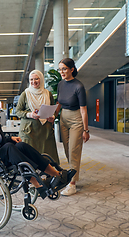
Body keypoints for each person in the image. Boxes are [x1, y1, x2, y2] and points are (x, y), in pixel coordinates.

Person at [0, 97, 76, 199]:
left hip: (0, 154)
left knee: (21, 145)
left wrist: (11, 139)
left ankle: (57, 175)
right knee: (9, 147)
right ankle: (37, 183)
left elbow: (2, 142)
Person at [54, 58, 90, 196]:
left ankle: (72, 184)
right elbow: (59, 102)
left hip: (76, 119)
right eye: (60, 69)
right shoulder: (61, 84)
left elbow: (83, 110)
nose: (62, 72)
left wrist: (86, 130)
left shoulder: (78, 86)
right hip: (63, 117)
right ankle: (72, 176)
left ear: (72, 69)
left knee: (74, 150)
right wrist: (54, 116)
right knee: (67, 149)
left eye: (64, 69)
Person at [16, 69, 60, 164]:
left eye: (36, 79)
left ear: (41, 80)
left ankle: (47, 175)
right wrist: (29, 114)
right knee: (29, 158)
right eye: (31, 79)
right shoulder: (25, 94)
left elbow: (52, 110)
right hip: (29, 131)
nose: (33, 82)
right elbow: (18, 111)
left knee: (47, 156)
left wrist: (52, 116)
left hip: (45, 131)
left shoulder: (48, 94)